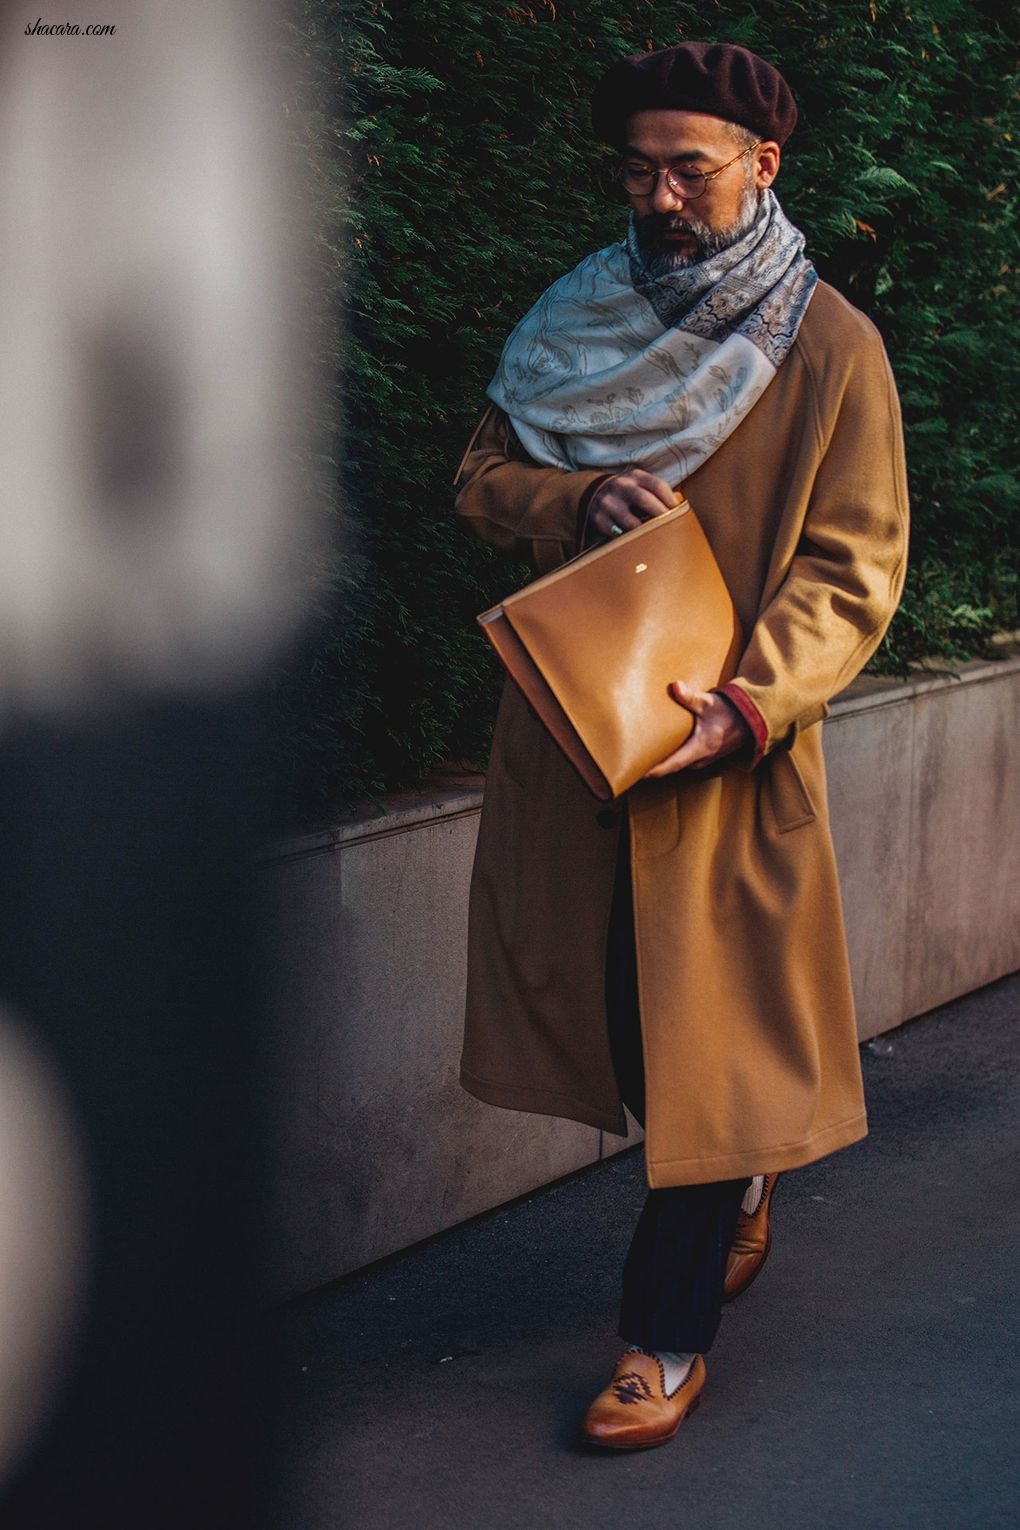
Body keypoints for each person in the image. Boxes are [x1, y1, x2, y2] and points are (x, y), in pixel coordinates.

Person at [454, 40, 908, 1451]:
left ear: (763, 166)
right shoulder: (572, 322)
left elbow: (854, 564)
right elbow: (478, 478)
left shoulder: (830, 347)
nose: (658, 195)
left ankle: (661, 1337)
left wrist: (757, 699)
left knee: (705, 1048)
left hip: (727, 758)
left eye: (688, 169)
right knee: (634, 1035)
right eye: (639, 168)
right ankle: (748, 1161)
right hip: (578, 746)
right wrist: (573, 501)